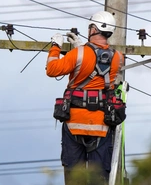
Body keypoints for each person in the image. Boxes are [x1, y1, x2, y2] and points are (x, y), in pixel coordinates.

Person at [46, 11, 126, 185]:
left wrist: (55, 46)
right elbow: (97, 63)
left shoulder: (78, 54)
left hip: (74, 124)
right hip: (101, 126)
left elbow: (52, 69)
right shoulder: (118, 58)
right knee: (99, 180)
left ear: (94, 29)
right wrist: (81, 48)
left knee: (75, 179)